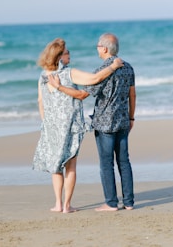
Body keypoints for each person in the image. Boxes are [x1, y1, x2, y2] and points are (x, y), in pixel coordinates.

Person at [32, 38, 122, 213]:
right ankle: (67, 206)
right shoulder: (69, 73)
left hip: (51, 126)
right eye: (67, 53)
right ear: (59, 57)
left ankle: (58, 203)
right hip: (70, 126)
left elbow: (40, 101)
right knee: (70, 165)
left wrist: (46, 122)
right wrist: (113, 66)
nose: (69, 55)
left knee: (55, 165)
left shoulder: (43, 76)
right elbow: (94, 78)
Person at [49, 32, 136, 212]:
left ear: (104, 48)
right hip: (122, 121)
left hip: (104, 123)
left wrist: (59, 87)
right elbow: (132, 95)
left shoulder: (100, 72)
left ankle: (111, 203)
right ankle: (128, 202)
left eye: (98, 45)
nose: (97, 48)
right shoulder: (128, 68)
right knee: (124, 162)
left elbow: (82, 95)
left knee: (106, 164)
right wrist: (131, 117)